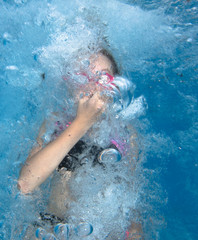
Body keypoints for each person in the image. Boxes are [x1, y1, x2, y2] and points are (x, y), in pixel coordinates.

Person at [18, 49, 143, 239]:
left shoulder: (125, 133)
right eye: (84, 75)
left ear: (115, 85)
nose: (93, 84)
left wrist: (134, 233)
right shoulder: (55, 123)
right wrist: (81, 123)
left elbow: (130, 199)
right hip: (55, 229)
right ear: (70, 83)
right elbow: (25, 184)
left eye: (103, 76)